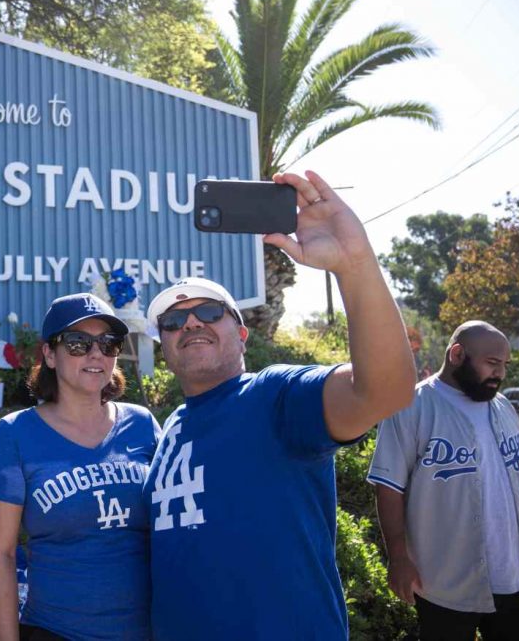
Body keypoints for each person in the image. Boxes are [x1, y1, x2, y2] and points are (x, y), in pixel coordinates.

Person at [144, 170, 417, 640]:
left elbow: (385, 390)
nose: (190, 324)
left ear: (242, 333)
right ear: (163, 348)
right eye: (172, 320)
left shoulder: (273, 397)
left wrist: (353, 264)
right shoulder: (169, 430)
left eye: (210, 312)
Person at [0, 293, 161, 641]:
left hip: (149, 630)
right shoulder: (16, 434)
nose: (96, 353)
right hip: (57, 630)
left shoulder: (142, 424)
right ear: (49, 354)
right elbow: (0, 553)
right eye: (78, 343)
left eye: (108, 344)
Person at [368, 321, 519, 640]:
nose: (500, 374)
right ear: (458, 354)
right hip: (443, 580)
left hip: (518, 580)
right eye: (492, 363)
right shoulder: (411, 406)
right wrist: (398, 559)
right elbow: (389, 488)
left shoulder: (504, 408)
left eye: (504, 364)